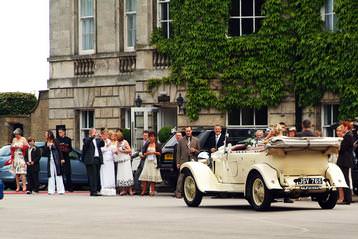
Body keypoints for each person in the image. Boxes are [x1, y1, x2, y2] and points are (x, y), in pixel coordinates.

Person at [175, 126, 200, 198]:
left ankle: (193, 193)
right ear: (185, 132)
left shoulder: (196, 140)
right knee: (181, 177)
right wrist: (178, 162)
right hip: (183, 161)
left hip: (193, 161)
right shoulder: (181, 140)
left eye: (189, 131)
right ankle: (179, 192)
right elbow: (178, 152)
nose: (188, 132)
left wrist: (194, 150)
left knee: (193, 177)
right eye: (187, 131)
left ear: (191, 131)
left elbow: (199, 151)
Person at [82, 128, 105, 196]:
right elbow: (86, 143)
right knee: (92, 176)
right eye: (95, 132)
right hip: (90, 160)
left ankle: (96, 190)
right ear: (91, 133)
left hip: (97, 159)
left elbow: (102, 144)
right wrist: (92, 137)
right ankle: (93, 191)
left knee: (96, 176)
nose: (96, 133)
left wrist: (101, 138)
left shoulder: (97, 140)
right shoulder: (86, 139)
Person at [336, 123, 354, 204]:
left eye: (343, 127)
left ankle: (348, 198)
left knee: (346, 180)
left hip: (345, 161)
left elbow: (342, 149)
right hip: (344, 161)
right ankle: (346, 198)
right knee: (344, 179)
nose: (342, 128)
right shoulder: (347, 136)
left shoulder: (348, 136)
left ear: (346, 127)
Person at [139, 131, 162, 196]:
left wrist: (154, 152)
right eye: (150, 136)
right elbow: (143, 153)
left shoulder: (157, 144)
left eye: (153, 136)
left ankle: (152, 190)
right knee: (144, 175)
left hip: (154, 161)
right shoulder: (147, 144)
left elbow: (160, 153)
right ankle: (144, 190)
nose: (151, 138)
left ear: (155, 137)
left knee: (153, 176)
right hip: (147, 161)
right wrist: (147, 153)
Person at [43, 130, 65, 195]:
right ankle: (51, 190)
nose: (45, 135)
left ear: (49, 134)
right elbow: (44, 153)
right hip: (50, 160)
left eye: (46, 134)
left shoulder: (55, 141)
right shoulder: (46, 142)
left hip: (57, 159)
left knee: (58, 173)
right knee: (51, 174)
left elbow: (59, 150)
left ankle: (60, 190)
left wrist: (62, 158)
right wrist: (46, 147)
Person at [116, 131, 135, 196]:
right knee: (121, 174)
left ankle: (130, 190)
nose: (116, 138)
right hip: (120, 160)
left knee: (127, 174)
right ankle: (123, 190)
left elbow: (129, 150)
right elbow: (117, 150)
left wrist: (122, 150)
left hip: (126, 160)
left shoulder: (125, 142)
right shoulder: (117, 143)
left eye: (117, 136)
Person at [10, 128, 29, 192]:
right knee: (17, 174)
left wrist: (21, 147)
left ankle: (24, 186)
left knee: (22, 172)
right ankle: (18, 187)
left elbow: (27, 147)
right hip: (16, 157)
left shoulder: (23, 139)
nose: (16, 136)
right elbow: (11, 147)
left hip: (21, 156)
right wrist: (13, 147)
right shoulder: (14, 139)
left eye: (17, 134)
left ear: (19, 134)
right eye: (15, 134)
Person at [99, 129, 116, 196]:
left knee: (110, 173)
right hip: (104, 159)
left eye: (107, 135)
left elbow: (112, 148)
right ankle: (104, 188)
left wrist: (114, 151)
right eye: (105, 135)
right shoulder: (100, 141)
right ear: (102, 135)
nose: (106, 136)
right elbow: (100, 150)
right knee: (104, 174)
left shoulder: (109, 141)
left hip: (110, 160)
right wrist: (107, 146)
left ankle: (111, 188)